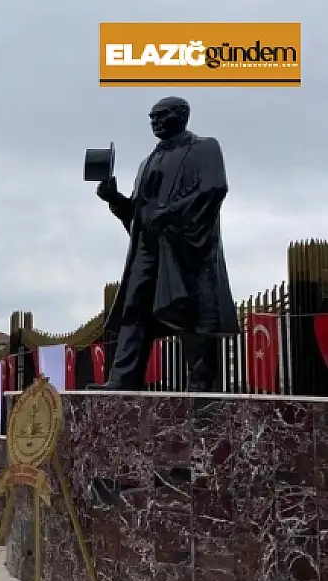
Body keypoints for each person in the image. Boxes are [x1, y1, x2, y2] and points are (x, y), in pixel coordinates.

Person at [93, 96, 238, 391]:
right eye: (152, 117)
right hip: (146, 248)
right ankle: (122, 380)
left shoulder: (204, 148)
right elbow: (137, 213)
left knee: (189, 312)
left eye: (162, 116)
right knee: (134, 309)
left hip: (185, 248)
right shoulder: (148, 161)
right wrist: (114, 199)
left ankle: (201, 385)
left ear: (182, 115)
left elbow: (214, 188)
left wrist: (170, 213)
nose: (155, 122)